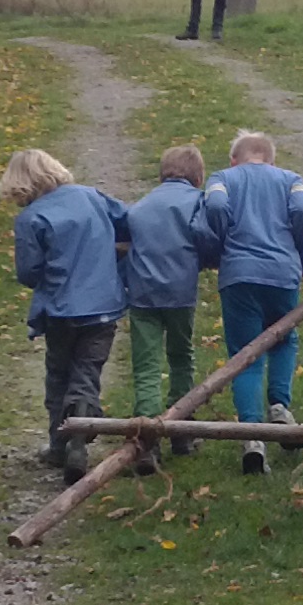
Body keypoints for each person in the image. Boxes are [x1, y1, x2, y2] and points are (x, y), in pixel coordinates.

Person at [0, 148, 130, 483]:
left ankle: (60, 443)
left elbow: (28, 272)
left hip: (61, 311)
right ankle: (81, 430)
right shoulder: (91, 196)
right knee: (87, 372)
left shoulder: (31, 219)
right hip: (102, 307)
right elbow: (127, 223)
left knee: (59, 373)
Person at [192, 128, 303, 475]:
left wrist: (218, 248)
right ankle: (279, 407)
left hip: (239, 274)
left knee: (245, 355)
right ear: (271, 159)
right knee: (284, 340)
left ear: (235, 159)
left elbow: (215, 205)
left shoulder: (223, 178)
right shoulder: (291, 179)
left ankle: (251, 435)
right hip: (282, 273)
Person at [123, 142, 208, 458]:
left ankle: (146, 436)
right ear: (198, 177)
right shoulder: (198, 203)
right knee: (181, 356)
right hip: (180, 292)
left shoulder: (140, 206)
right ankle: (180, 427)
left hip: (143, 293)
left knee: (146, 364)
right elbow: (207, 238)